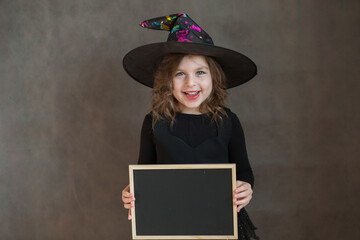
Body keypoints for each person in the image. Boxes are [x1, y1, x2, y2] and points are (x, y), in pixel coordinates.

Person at [122, 13, 259, 240]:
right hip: (170, 227)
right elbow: (143, 175)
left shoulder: (228, 121)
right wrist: (132, 193)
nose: (191, 83)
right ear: (168, 80)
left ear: (213, 77)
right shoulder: (154, 123)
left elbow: (244, 171)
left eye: (200, 73)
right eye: (180, 74)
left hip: (222, 226)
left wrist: (246, 187)